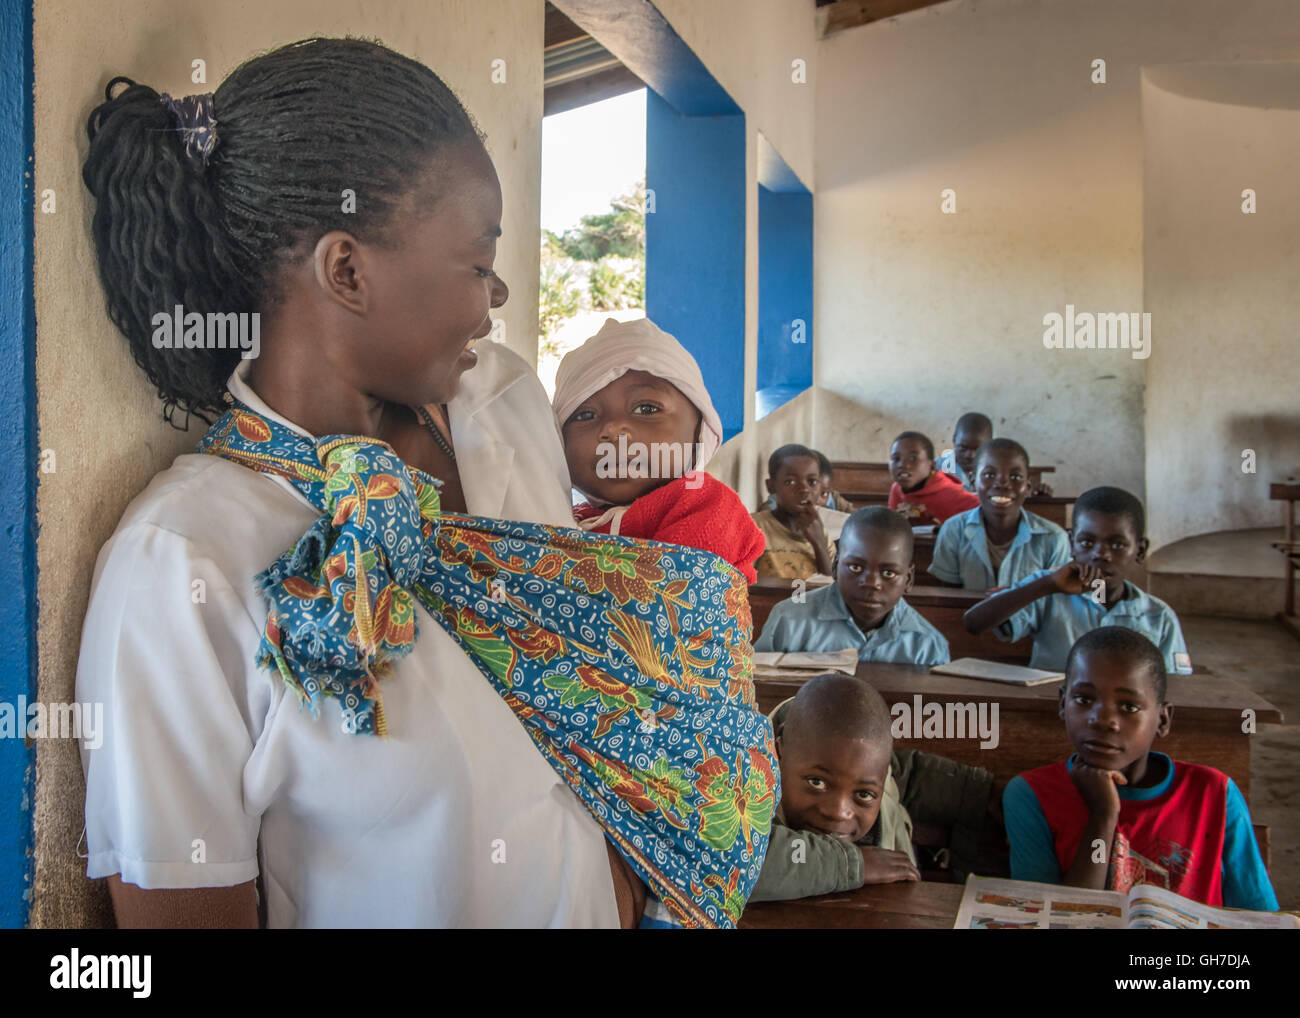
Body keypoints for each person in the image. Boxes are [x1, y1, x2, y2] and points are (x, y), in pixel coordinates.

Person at [76, 37, 775, 930]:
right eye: (478, 263)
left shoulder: (509, 401)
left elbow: (588, 704)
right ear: (348, 270)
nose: (500, 295)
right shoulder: (184, 564)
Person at [1003, 629, 1277, 909]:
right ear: (1062, 704)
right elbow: (1063, 918)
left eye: (1129, 706)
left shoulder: (1213, 794)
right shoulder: (1032, 794)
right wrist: (1103, 816)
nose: (1103, 720)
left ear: (1162, 719)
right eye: (1084, 700)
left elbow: (1260, 915)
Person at [552, 317, 765, 582]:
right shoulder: (565, 517)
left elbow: (667, 603)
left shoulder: (704, 504)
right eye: (584, 415)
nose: (614, 428)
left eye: (647, 409)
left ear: (700, 430)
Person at [749, 674, 996, 901]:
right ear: (779, 750)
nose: (838, 811)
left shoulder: (869, 769)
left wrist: (984, 793)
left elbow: (909, 773)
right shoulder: (738, 776)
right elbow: (739, 860)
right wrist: (850, 864)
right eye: (817, 782)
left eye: (864, 794)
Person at [963, 486, 1192, 674]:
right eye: (1087, 542)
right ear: (1071, 544)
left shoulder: (1158, 616)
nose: (1100, 554)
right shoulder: (1048, 589)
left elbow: (1175, 685)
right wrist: (1045, 585)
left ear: (1140, 551)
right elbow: (974, 623)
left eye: (1117, 544)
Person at [756, 507, 949, 667]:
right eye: (855, 567)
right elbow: (753, 693)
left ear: (908, 580)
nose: (872, 583)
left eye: (888, 573)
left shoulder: (928, 645)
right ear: (835, 567)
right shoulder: (788, 622)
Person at [928, 438, 1070, 590]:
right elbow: (948, 599)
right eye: (989, 475)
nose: (1002, 483)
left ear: (1027, 486)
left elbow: (1056, 604)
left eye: (1015, 477)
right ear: (973, 480)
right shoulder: (954, 530)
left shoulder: (1053, 538)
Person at [752, 444, 837, 579]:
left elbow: (831, 590)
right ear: (771, 486)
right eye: (790, 482)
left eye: (812, 481)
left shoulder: (822, 536)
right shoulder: (754, 528)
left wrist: (819, 543)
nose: (804, 489)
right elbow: (735, 580)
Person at [887, 431, 980, 526]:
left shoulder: (950, 494)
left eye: (913, 458)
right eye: (896, 458)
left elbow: (981, 508)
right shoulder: (897, 489)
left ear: (931, 464)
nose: (903, 464)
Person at [934, 412, 992, 492]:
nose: (970, 455)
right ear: (954, 439)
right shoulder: (936, 469)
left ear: (989, 445)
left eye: (978, 449)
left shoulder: (995, 474)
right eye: (963, 448)